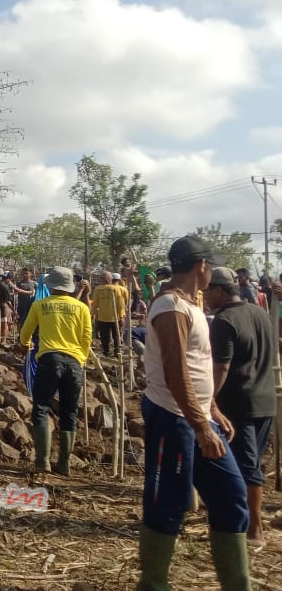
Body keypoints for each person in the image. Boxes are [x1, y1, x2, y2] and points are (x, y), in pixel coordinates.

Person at [137, 236, 250, 590]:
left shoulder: (190, 305)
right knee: (168, 503)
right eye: (210, 266)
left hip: (197, 417)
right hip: (173, 417)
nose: (211, 271)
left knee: (231, 495)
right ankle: (153, 584)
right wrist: (201, 424)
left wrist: (211, 408)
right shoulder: (171, 307)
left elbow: (196, 364)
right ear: (201, 266)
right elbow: (176, 372)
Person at [205, 266, 276, 549]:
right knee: (250, 463)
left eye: (208, 291)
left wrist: (208, 399)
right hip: (265, 400)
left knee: (246, 469)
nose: (205, 297)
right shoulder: (260, 313)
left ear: (219, 290)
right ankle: (237, 520)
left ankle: (254, 529)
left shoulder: (224, 321)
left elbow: (221, 367)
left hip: (238, 405)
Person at [18, 267, 92, 475]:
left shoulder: (40, 305)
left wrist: (25, 345)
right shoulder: (81, 308)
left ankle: (43, 462)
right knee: (70, 411)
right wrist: (81, 359)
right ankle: (64, 464)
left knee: (41, 407)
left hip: (49, 360)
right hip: (74, 362)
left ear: (50, 286)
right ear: (70, 287)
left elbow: (25, 333)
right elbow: (87, 337)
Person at [91, 270, 127, 357]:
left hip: (102, 317)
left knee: (104, 336)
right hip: (115, 317)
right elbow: (121, 304)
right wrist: (121, 316)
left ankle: (106, 351)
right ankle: (117, 352)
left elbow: (94, 304)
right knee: (116, 335)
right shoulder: (117, 289)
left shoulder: (98, 289)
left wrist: (94, 315)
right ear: (109, 279)